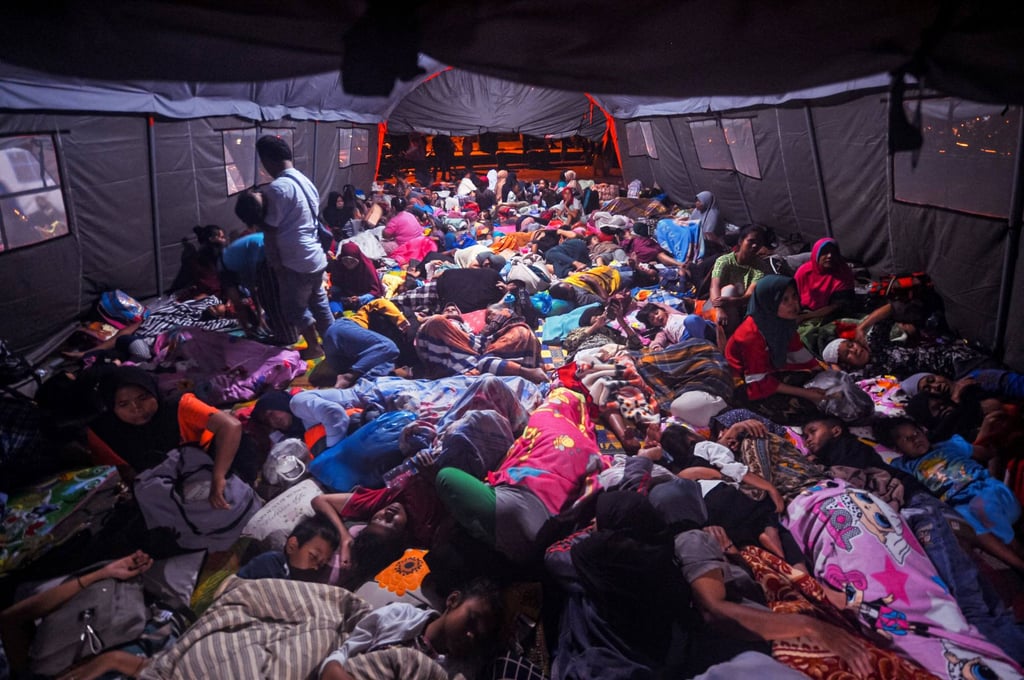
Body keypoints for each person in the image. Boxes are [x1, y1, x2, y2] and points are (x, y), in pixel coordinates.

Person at [804, 416, 1024, 659]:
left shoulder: (846, 447)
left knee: (965, 597)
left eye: (812, 431)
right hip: (924, 505)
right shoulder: (844, 453)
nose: (807, 439)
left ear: (836, 430)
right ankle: (1009, 641)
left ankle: (1005, 660)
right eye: (805, 436)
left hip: (918, 506)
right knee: (972, 587)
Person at [88, 366, 256, 506]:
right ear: (112, 407)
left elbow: (231, 426)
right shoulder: (110, 430)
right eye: (123, 404)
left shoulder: (179, 406)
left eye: (143, 397)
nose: (136, 408)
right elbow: (129, 472)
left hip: (213, 459)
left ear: (153, 391)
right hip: (174, 477)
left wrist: (218, 476)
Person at [873, 416, 1024, 572]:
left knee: (983, 508)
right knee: (964, 520)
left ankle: (1017, 548)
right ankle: (1018, 565)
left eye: (916, 433)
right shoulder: (905, 467)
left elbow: (988, 453)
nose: (915, 439)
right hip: (960, 504)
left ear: (923, 431)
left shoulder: (950, 446)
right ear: (897, 449)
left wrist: (992, 471)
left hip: (985, 489)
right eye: (906, 439)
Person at [318, 578, 503, 680]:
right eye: (471, 620)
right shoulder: (399, 615)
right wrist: (332, 668)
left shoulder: (457, 672)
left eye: (478, 636)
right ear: (453, 600)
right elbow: (347, 650)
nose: (470, 635)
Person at [256, 135, 333, 359]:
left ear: (267, 160)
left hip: (295, 259)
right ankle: (333, 344)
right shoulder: (305, 181)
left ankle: (314, 347)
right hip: (315, 255)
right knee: (319, 302)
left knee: (294, 308)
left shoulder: (277, 189)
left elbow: (270, 231)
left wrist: (275, 263)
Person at [725, 275, 825, 424]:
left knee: (818, 383)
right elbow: (759, 381)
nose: (793, 304)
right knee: (807, 409)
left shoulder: (782, 322)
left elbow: (796, 350)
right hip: (745, 384)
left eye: (794, 296)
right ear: (768, 302)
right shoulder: (750, 335)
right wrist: (806, 394)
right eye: (784, 300)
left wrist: (821, 372)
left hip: (768, 371)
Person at [414, 304, 546, 383]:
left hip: (475, 347)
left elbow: (482, 340)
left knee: (521, 332)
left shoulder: (467, 326)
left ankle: (527, 371)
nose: (449, 310)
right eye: (446, 310)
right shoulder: (442, 323)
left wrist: (497, 320)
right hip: (458, 350)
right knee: (435, 322)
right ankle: (526, 372)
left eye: (453, 309)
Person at [238, 514, 340, 582]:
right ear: (292, 546)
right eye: (313, 557)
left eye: (320, 564)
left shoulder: (300, 580)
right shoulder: (271, 562)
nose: (315, 568)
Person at [708, 224, 771, 334]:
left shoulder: (760, 267)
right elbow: (714, 286)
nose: (755, 246)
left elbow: (749, 295)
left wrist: (733, 302)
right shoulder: (724, 261)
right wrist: (720, 309)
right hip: (717, 303)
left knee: (731, 291)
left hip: (739, 307)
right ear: (741, 241)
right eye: (751, 241)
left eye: (759, 243)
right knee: (728, 290)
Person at [307, 317, 400, 389]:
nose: (408, 369)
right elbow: (380, 302)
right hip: (340, 331)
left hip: (341, 358)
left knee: (385, 366)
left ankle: (352, 381)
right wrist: (400, 318)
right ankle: (349, 377)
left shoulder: (386, 363)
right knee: (390, 347)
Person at [793, 237, 856, 320]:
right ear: (816, 254)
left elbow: (837, 306)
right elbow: (793, 297)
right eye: (825, 252)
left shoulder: (843, 272)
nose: (830, 256)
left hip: (833, 315)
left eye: (833, 253)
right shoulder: (804, 271)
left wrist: (805, 317)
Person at [637, 302, 718, 352]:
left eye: (656, 313)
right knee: (673, 349)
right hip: (686, 340)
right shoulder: (662, 330)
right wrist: (656, 346)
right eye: (652, 319)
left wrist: (645, 303)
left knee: (691, 319)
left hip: (698, 327)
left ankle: (707, 343)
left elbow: (661, 305)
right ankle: (705, 345)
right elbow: (659, 339)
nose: (656, 317)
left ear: (663, 310)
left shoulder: (674, 314)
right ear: (652, 324)